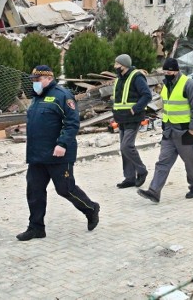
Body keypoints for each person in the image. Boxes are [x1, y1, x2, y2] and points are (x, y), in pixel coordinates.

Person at [17, 65, 100, 241]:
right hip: (37, 155)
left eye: (37, 80)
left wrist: (62, 143)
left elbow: (71, 123)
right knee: (34, 191)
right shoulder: (37, 98)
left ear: (48, 78)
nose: (35, 84)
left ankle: (91, 208)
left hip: (58, 153)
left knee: (65, 189)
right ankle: (36, 228)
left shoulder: (62, 96)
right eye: (33, 81)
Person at [137, 58, 193, 203]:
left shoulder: (188, 84)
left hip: (185, 131)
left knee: (190, 162)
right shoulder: (166, 85)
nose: (167, 73)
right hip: (169, 131)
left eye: (170, 71)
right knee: (163, 162)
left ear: (176, 71)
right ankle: (154, 192)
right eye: (165, 71)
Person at [112, 54, 152, 189]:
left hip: (133, 117)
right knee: (123, 149)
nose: (115, 66)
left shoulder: (136, 77)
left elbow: (147, 95)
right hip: (122, 117)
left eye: (117, 64)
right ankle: (129, 178)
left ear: (124, 65)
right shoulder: (119, 78)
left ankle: (142, 170)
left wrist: (135, 109)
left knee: (126, 146)